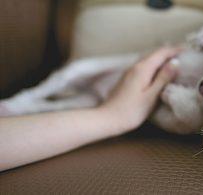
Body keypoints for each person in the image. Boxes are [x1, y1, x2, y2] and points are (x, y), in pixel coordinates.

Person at [0, 47, 181, 172]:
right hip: (118, 91)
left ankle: (26, 104)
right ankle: (25, 102)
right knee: (75, 72)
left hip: (108, 102)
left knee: (68, 100)